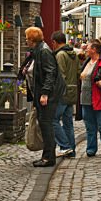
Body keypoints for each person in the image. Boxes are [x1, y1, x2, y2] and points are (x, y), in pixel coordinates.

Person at [24, 27, 66, 167]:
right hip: (43, 94)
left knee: (46, 124)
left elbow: (50, 73)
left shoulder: (44, 51)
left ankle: (49, 158)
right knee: (44, 124)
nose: (26, 40)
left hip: (49, 95)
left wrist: (45, 94)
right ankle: (47, 156)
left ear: (32, 40)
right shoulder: (39, 50)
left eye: (27, 38)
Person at [49, 31, 79, 158]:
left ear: (55, 42)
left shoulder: (60, 55)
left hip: (62, 92)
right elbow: (78, 72)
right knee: (68, 122)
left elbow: (60, 75)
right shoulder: (74, 55)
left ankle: (65, 146)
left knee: (53, 120)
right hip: (72, 90)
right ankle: (71, 149)